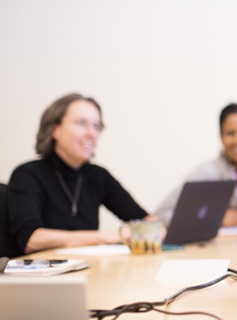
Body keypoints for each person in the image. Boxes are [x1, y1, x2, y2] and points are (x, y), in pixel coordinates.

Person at [4, 93, 151, 255]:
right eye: (82, 124)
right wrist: (107, 237)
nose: (91, 134)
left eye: (96, 126)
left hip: (87, 271)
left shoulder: (99, 176)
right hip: (43, 275)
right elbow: (31, 239)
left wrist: (157, 227)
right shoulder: (28, 174)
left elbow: (143, 220)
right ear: (55, 130)